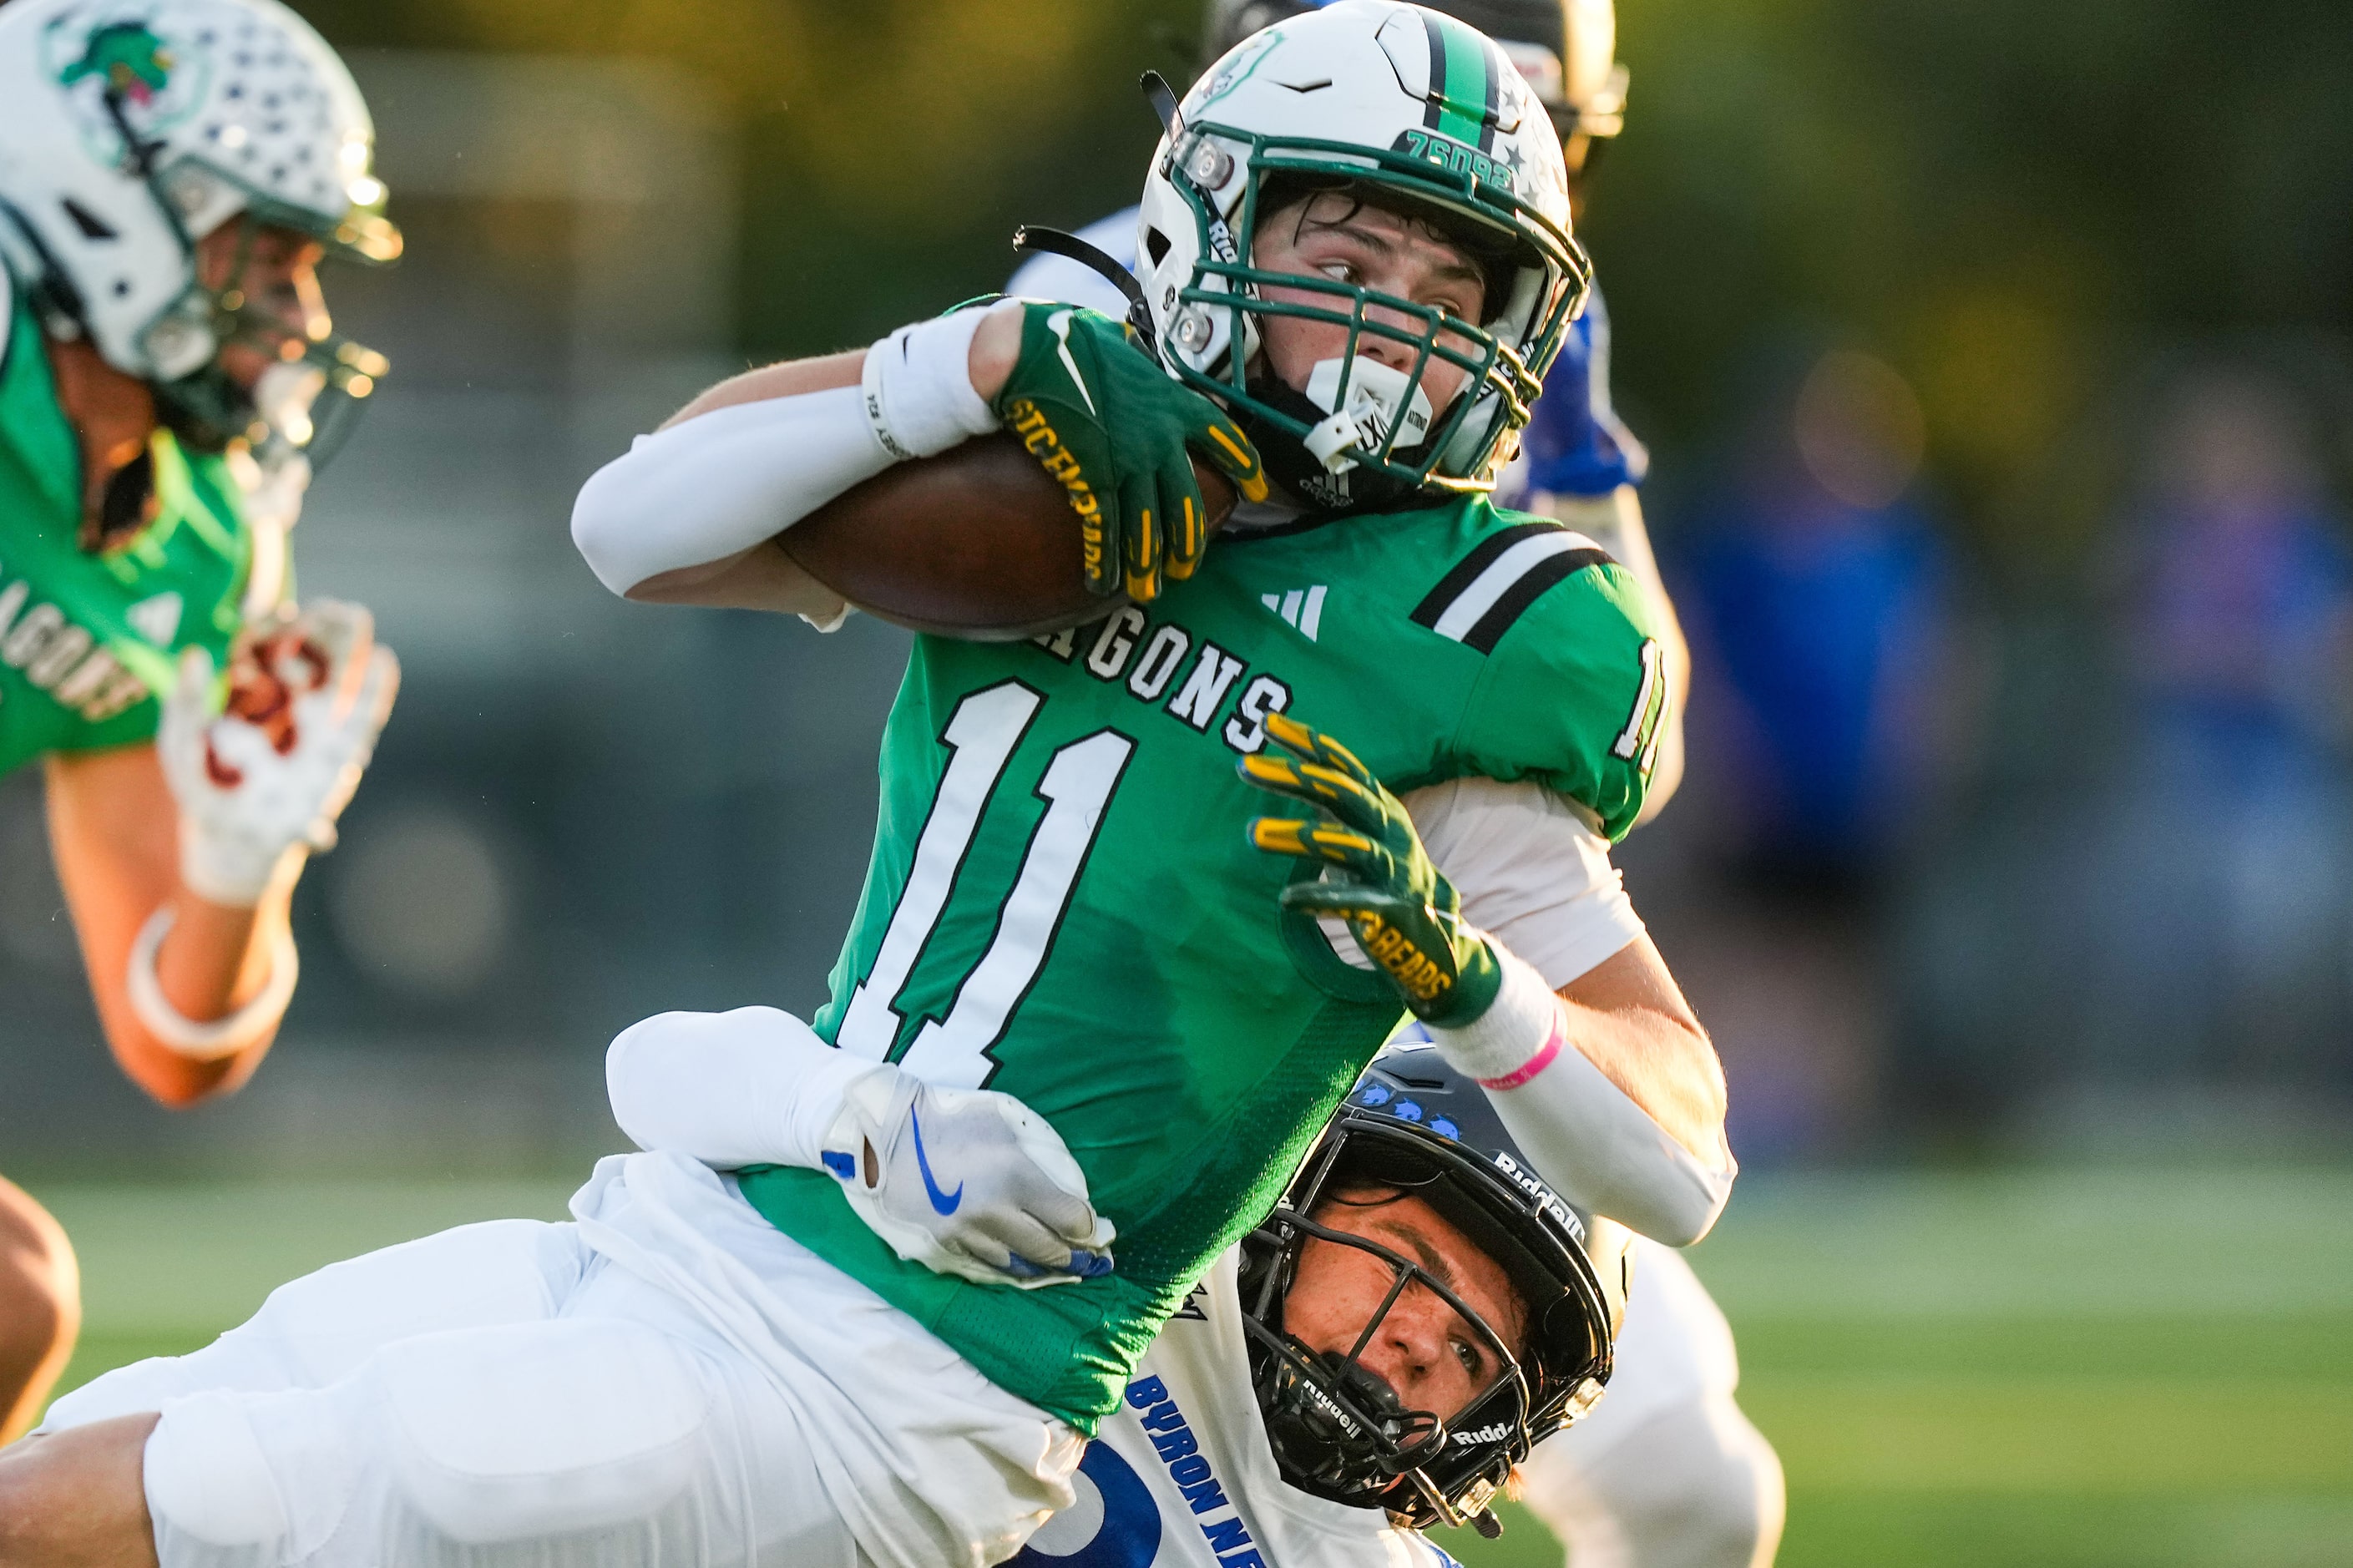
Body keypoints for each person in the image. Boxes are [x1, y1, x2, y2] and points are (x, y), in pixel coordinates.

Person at [0, 6, 1733, 1563]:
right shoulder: (1073, 455)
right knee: (103, 1421)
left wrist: (1469, 978)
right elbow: (630, 526)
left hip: (891, 1386)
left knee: (158, 1507)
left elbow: (1681, 1156)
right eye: (1352, 254)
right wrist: (970, 360)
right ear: (1218, 219)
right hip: (696, 1231)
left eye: (1451, 297)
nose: (1397, 331)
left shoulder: (1466, 637)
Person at [1012, 4, 1775, 1562]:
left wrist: (1579, 469)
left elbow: (1638, 745)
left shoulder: (1520, 310)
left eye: (1544, 126)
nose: (1491, 146)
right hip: (1162, 1017)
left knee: (1696, 1488)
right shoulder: (1116, 279)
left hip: (1437, 1011)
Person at [0, 0, 402, 1440]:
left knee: (13, 1299)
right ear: (104, 202)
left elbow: (175, 1045)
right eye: (271, 253)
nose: (300, 316)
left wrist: (244, 865)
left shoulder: (194, 536)